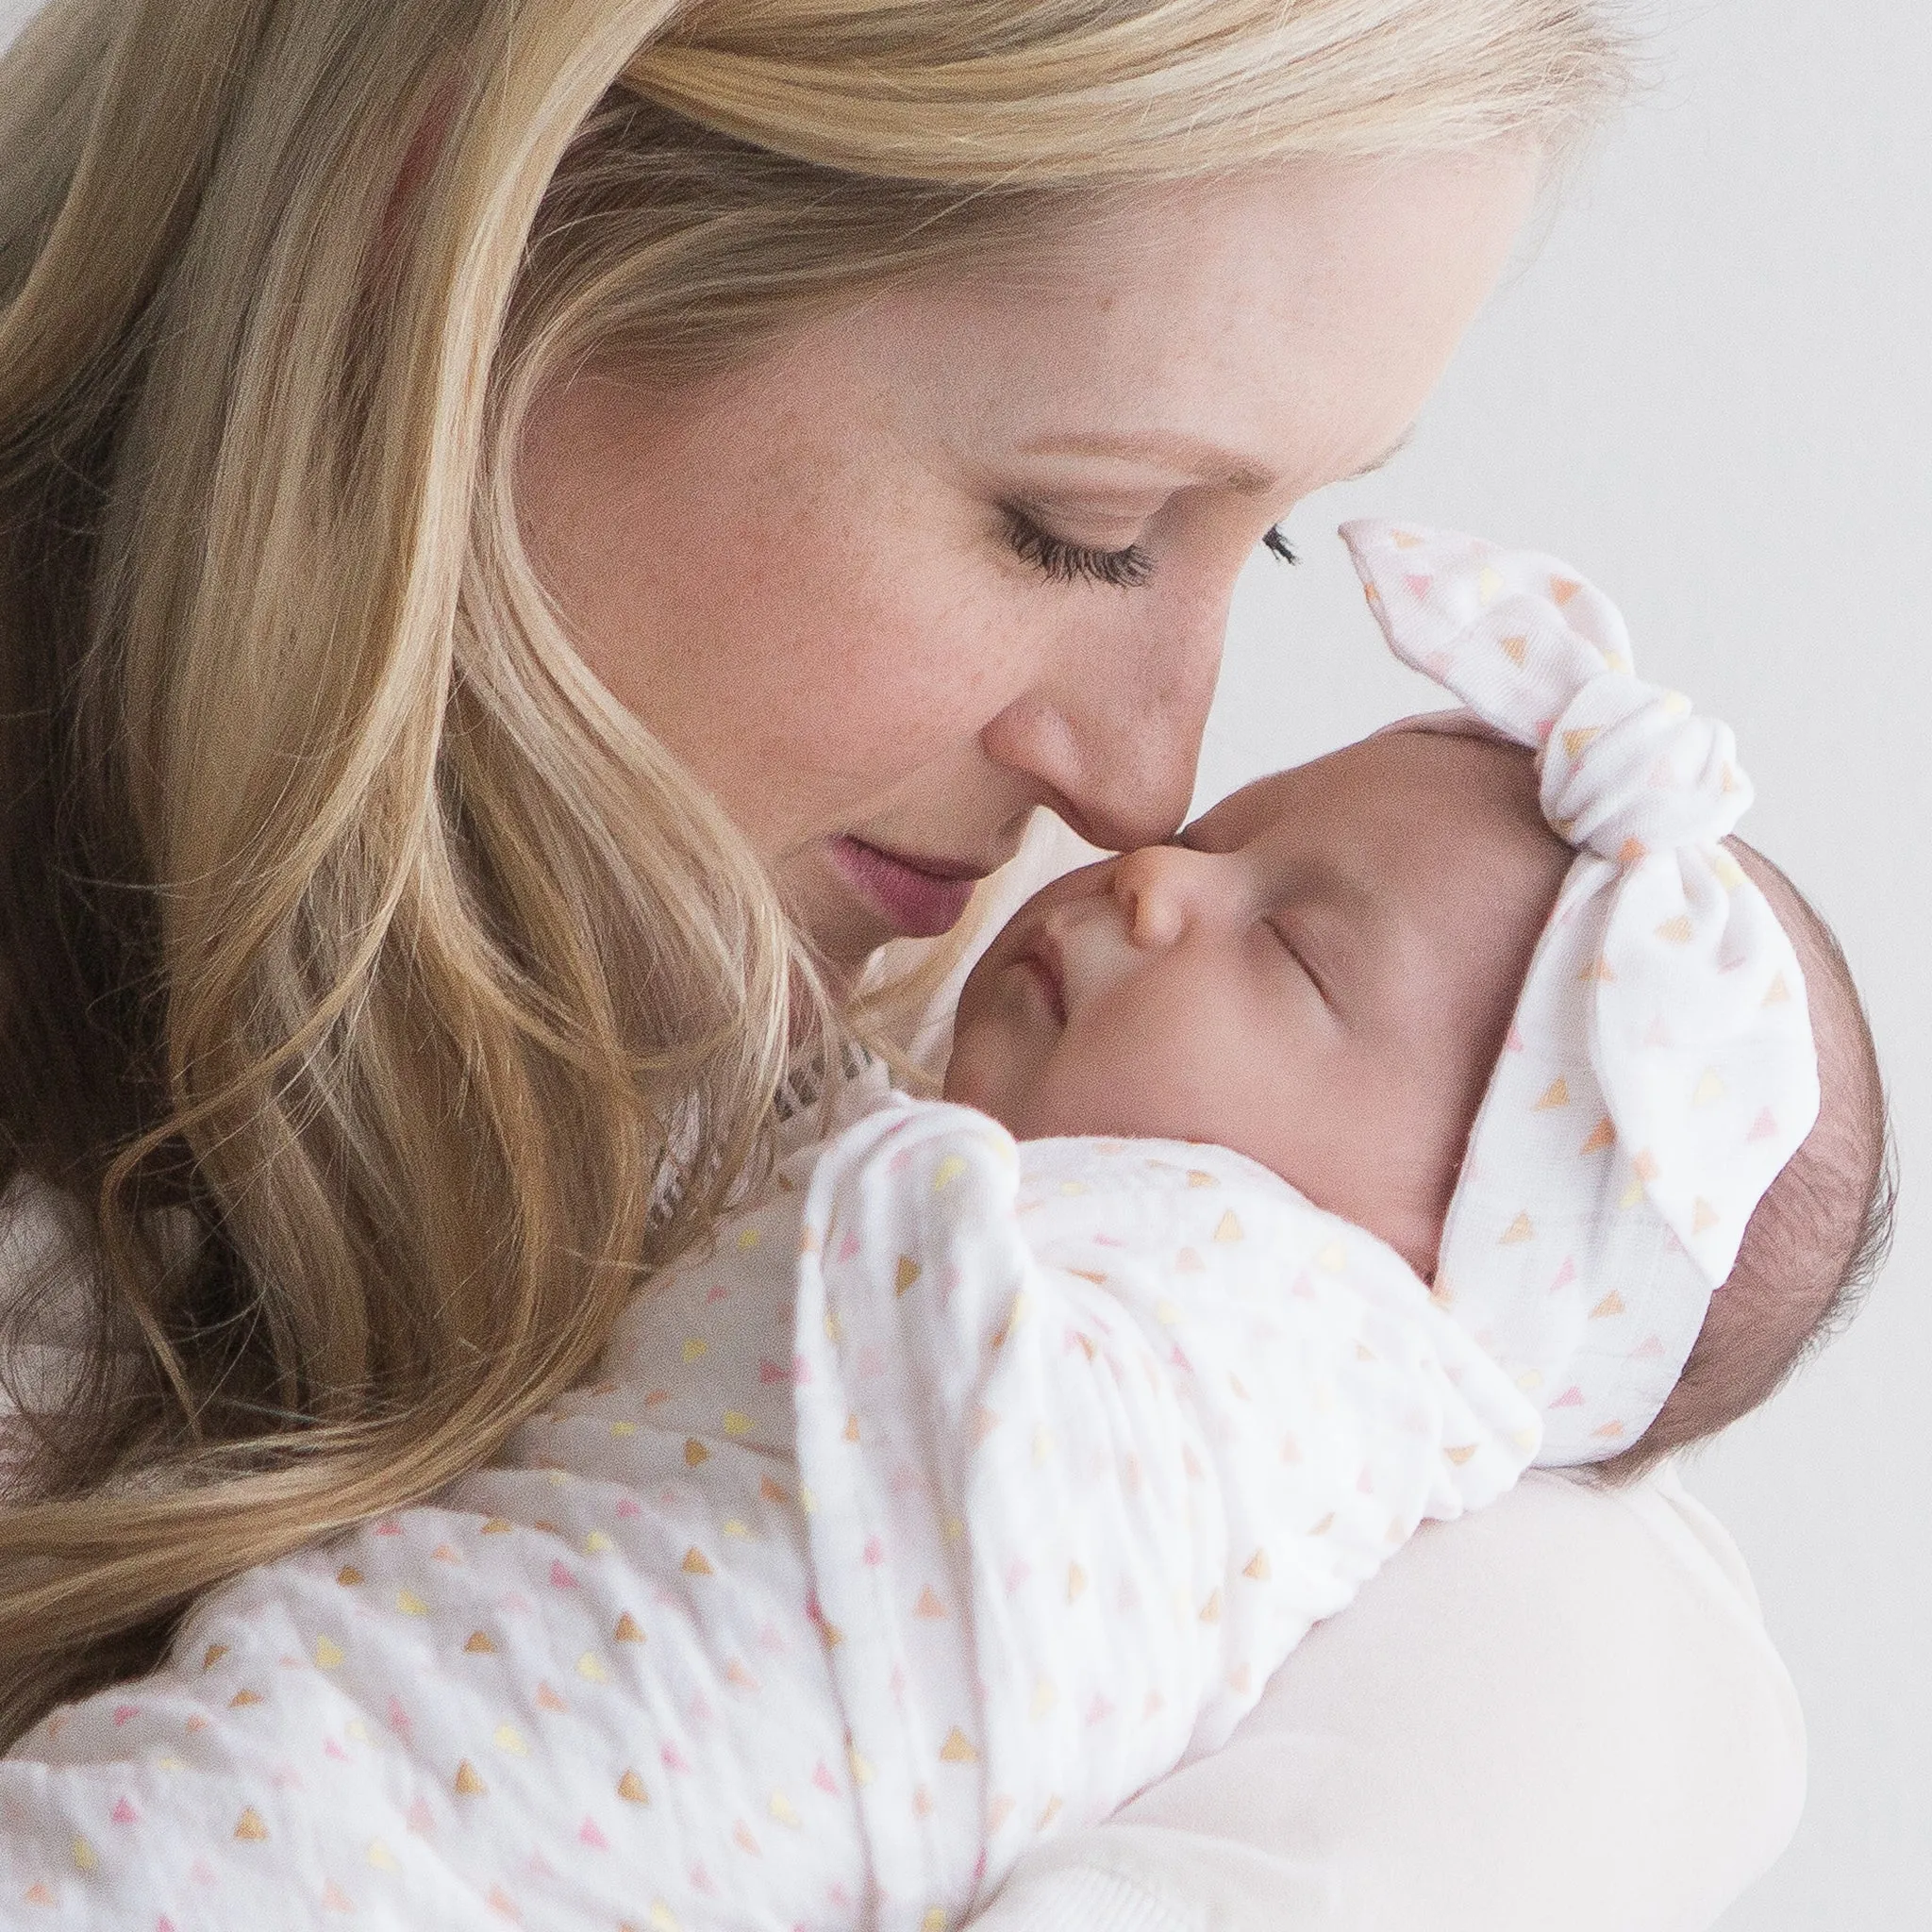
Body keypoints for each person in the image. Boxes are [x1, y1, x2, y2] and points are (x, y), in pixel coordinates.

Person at [0, 1, 1811, 1924]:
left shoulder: (952, 1163)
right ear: (476, 219)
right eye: (1080, 529)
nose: (1147, 792)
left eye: (1262, 547)